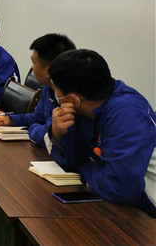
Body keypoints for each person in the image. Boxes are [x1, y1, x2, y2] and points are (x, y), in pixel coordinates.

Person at [46, 49, 156, 217]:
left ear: (74, 99)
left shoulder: (126, 112)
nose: (55, 95)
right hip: (118, 203)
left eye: (56, 89)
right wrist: (57, 134)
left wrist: (84, 168)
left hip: (147, 212)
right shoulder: (84, 107)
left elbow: (120, 188)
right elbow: (69, 162)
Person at [0, 33, 76, 145]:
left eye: (33, 63)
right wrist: (10, 120)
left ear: (48, 71)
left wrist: (34, 130)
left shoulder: (71, 99)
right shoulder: (48, 89)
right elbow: (36, 118)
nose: (32, 68)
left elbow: (49, 133)